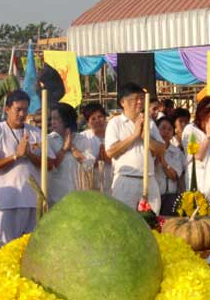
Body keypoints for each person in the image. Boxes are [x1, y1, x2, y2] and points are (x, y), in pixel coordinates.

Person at [0, 90, 54, 250]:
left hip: (33, 202)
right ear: (7, 109)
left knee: (31, 251)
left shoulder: (36, 132)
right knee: (6, 251)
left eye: (25, 109)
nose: (22, 114)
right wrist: (15, 156)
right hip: (8, 203)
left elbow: (50, 164)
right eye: (18, 109)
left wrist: (29, 155)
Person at [105, 83, 165, 212]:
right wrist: (134, 135)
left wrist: (146, 138)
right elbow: (110, 152)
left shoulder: (149, 122)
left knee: (151, 220)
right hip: (126, 180)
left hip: (149, 180)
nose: (139, 102)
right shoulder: (115, 123)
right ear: (123, 102)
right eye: (134, 99)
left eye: (142, 98)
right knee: (125, 219)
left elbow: (161, 149)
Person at [47, 103, 83, 207]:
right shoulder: (49, 140)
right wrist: (63, 149)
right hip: (57, 199)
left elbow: (88, 164)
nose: (52, 122)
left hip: (79, 197)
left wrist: (72, 147)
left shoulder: (82, 139)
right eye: (51, 118)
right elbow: (51, 166)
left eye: (56, 118)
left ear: (66, 120)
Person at [75, 103, 112, 194]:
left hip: (114, 184)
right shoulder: (83, 137)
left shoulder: (113, 134)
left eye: (100, 117)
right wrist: (98, 160)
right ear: (88, 122)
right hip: (92, 186)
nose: (97, 121)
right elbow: (81, 165)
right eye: (93, 119)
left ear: (105, 117)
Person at [154, 117, 187, 215]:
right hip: (154, 195)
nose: (166, 132)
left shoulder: (177, 152)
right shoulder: (150, 149)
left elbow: (174, 176)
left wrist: (163, 160)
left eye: (169, 129)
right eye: (163, 128)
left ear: (173, 133)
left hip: (171, 197)